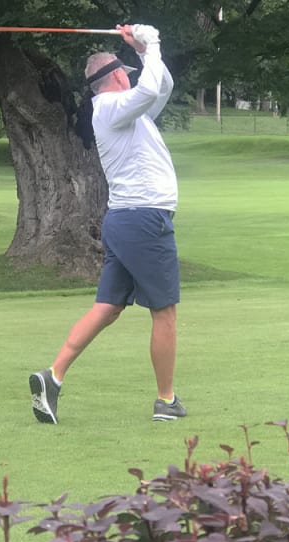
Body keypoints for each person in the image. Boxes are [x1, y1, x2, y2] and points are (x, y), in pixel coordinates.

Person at [29, 23, 186, 424]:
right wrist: (153, 43)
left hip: (126, 219)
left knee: (108, 307)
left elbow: (161, 86)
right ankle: (166, 400)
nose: (130, 77)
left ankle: (52, 376)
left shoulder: (128, 111)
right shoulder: (112, 107)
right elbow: (148, 89)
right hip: (143, 219)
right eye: (125, 72)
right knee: (164, 311)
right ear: (116, 77)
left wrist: (143, 50)